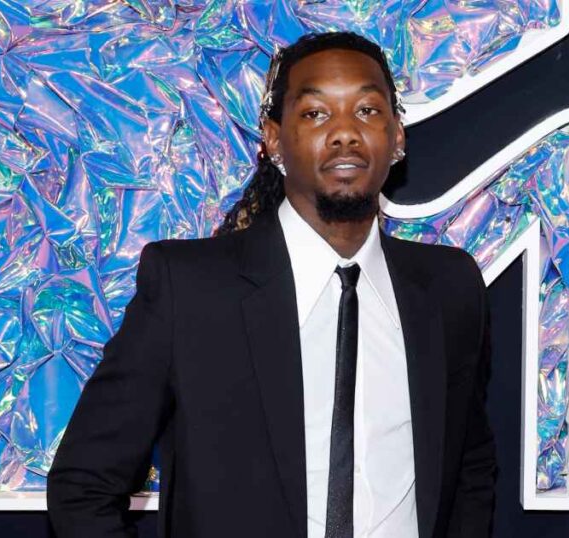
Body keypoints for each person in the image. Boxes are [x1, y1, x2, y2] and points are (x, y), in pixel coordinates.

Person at [46, 31, 497, 538]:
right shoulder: (189, 291)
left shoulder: (449, 289)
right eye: (316, 113)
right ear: (274, 139)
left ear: (397, 137)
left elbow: (469, 468)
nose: (345, 133)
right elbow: (82, 487)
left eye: (367, 110)